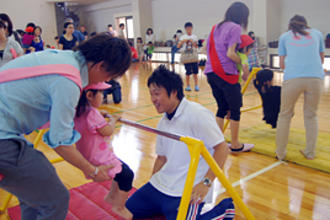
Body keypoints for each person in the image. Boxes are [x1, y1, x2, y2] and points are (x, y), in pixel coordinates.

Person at [0, 34, 131, 220]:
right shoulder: (69, 79)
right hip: (4, 137)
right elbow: (60, 142)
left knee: (33, 190)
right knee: (56, 198)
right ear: (100, 66)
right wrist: (92, 170)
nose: (100, 84)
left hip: (8, 129)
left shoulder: (63, 58)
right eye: (109, 76)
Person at [126, 65, 235, 219]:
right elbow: (161, 158)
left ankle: (224, 209)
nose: (153, 100)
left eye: (157, 94)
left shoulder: (197, 114)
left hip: (186, 189)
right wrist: (152, 184)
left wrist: (206, 183)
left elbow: (222, 149)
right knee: (127, 212)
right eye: (151, 94)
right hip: (162, 185)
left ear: (174, 92)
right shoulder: (163, 122)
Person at [74, 82, 134, 219]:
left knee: (119, 172)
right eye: (100, 93)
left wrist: (99, 113)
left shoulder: (78, 111)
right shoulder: (92, 114)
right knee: (127, 174)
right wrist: (113, 119)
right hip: (100, 157)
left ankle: (112, 196)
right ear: (89, 95)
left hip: (88, 155)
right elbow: (107, 131)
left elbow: (88, 119)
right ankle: (120, 206)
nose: (103, 96)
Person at [204, 2, 254, 152]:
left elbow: (207, 48)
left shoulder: (215, 27)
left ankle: (218, 144)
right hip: (226, 74)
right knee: (235, 109)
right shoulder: (235, 28)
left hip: (210, 72)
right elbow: (230, 54)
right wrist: (243, 64)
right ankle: (235, 145)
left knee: (222, 108)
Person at [276, 15, 325, 160]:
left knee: (284, 115)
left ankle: (280, 153)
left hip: (293, 78)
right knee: (311, 115)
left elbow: (282, 65)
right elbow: (321, 59)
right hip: (315, 78)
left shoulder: (284, 37)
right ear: (306, 24)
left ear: (290, 25)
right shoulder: (317, 34)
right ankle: (310, 152)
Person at [177, 22, 199, 92]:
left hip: (194, 57)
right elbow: (178, 46)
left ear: (192, 28)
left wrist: (193, 42)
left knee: (195, 72)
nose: (189, 30)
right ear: (185, 29)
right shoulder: (182, 37)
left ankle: (196, 86)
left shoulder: (195, 37)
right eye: (187, 28)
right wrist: (183, 41)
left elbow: (196, 46)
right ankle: (188, 86)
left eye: (190, 28)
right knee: (188, 72)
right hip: (186, 57)